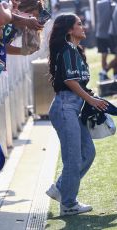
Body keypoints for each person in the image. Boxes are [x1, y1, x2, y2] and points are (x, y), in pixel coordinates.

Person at [46, 13, 108, 216]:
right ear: (69, 30)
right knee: (72, 159)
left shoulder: (75, 50)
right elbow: (70, 82)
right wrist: (91, 101)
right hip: (65, 108)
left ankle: (60, 189)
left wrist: (93, 99)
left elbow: (79, 83)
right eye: (79, 25)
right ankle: (68, 204)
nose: (84, 28)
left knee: (88, 153)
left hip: (72, 108)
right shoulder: (66, 50)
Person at [95, 0, 117, 81]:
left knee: (104, 55)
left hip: (101, 33)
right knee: (114, 55)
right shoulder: (113, 4)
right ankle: (105, 73)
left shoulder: (99, 3)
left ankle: (106, 74)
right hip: (110, 33)